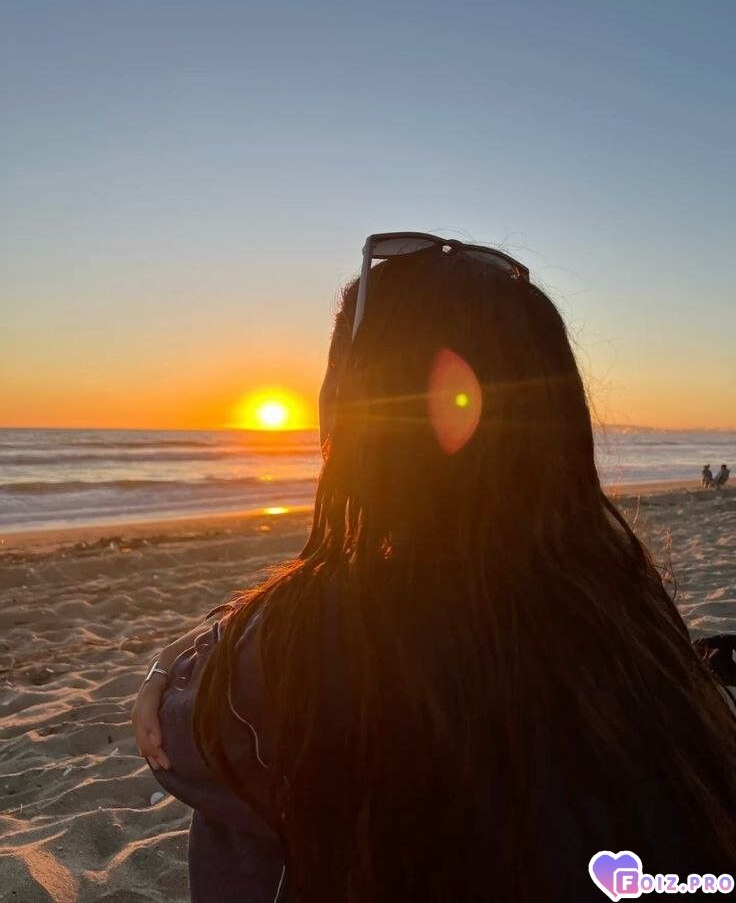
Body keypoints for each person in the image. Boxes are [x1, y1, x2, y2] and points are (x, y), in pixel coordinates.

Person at [133, 234, 736, 903]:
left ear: (362, 410)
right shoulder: (630, 607)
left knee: (255, 808)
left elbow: (185, 742)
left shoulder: (311, 635)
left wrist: (176, 658)